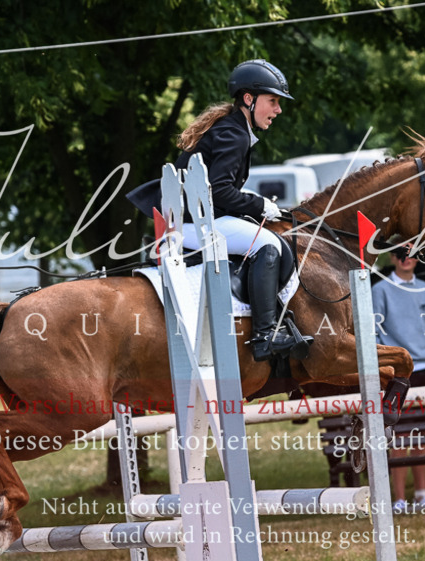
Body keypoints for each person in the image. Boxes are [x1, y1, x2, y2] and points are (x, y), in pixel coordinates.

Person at [127, 59, 312, 362]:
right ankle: (265, 335)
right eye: (273, 101)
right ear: (249, 100)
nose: (278, 110)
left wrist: (255, 203)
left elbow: (219, 190)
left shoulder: (231, 128)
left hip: (190, 218)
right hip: (192, 225)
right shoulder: (234, 134)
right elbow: (222, 191)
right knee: (268, 245)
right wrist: (259, 204)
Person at [373, 252, 425, 513]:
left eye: (412, 253)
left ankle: (422, 494)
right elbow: (373, 329)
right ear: (392, 258)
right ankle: (399, 499)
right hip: (398, 373)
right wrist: (388, 364)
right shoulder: (380, 289)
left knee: (421, 437)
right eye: (401, 253)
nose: (406, 258)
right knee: (400, 436)